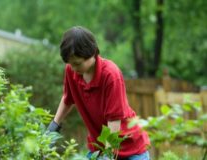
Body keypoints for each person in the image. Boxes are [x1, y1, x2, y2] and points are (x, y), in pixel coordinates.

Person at [47, 26, 150, 160]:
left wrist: (107, 156)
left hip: (130, 149)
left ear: (92, 53)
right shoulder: (72, 70)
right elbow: (68, 99)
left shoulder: (110, 75)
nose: (73, 68)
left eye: (77, 64)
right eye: (70, 64)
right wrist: (52, 128)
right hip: (98, 149)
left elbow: (114, 122)